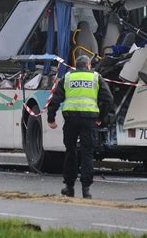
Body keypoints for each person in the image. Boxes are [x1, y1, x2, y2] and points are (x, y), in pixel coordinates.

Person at [47, 55, 114, 199]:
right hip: (89, 120)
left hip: (71, 119)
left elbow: (56, 99)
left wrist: (51, 118)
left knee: (71, 152)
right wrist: (101, 118)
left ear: (76, 66)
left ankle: (69, 187)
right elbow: (108, 99)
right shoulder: (96, 78)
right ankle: (86, 188)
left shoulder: (67, 77)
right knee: (87, 153)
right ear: (89, 65)